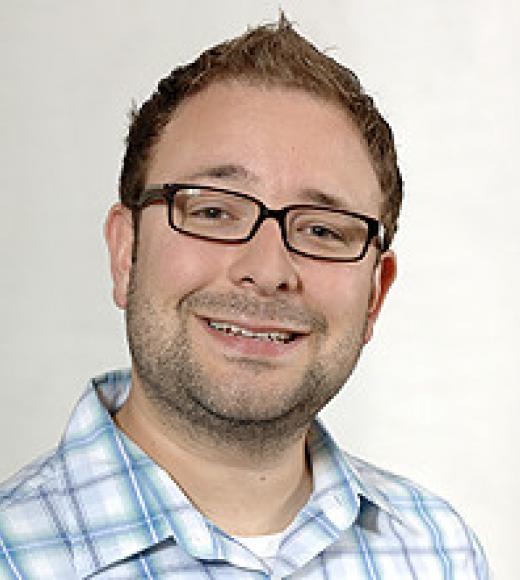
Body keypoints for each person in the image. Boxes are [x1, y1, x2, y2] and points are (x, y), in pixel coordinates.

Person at [0, 14, 489, 579]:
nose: (267, 269)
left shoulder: (439, 549)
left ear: (375, 294)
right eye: (213, 211)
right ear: (125, 252)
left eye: (323, 230)